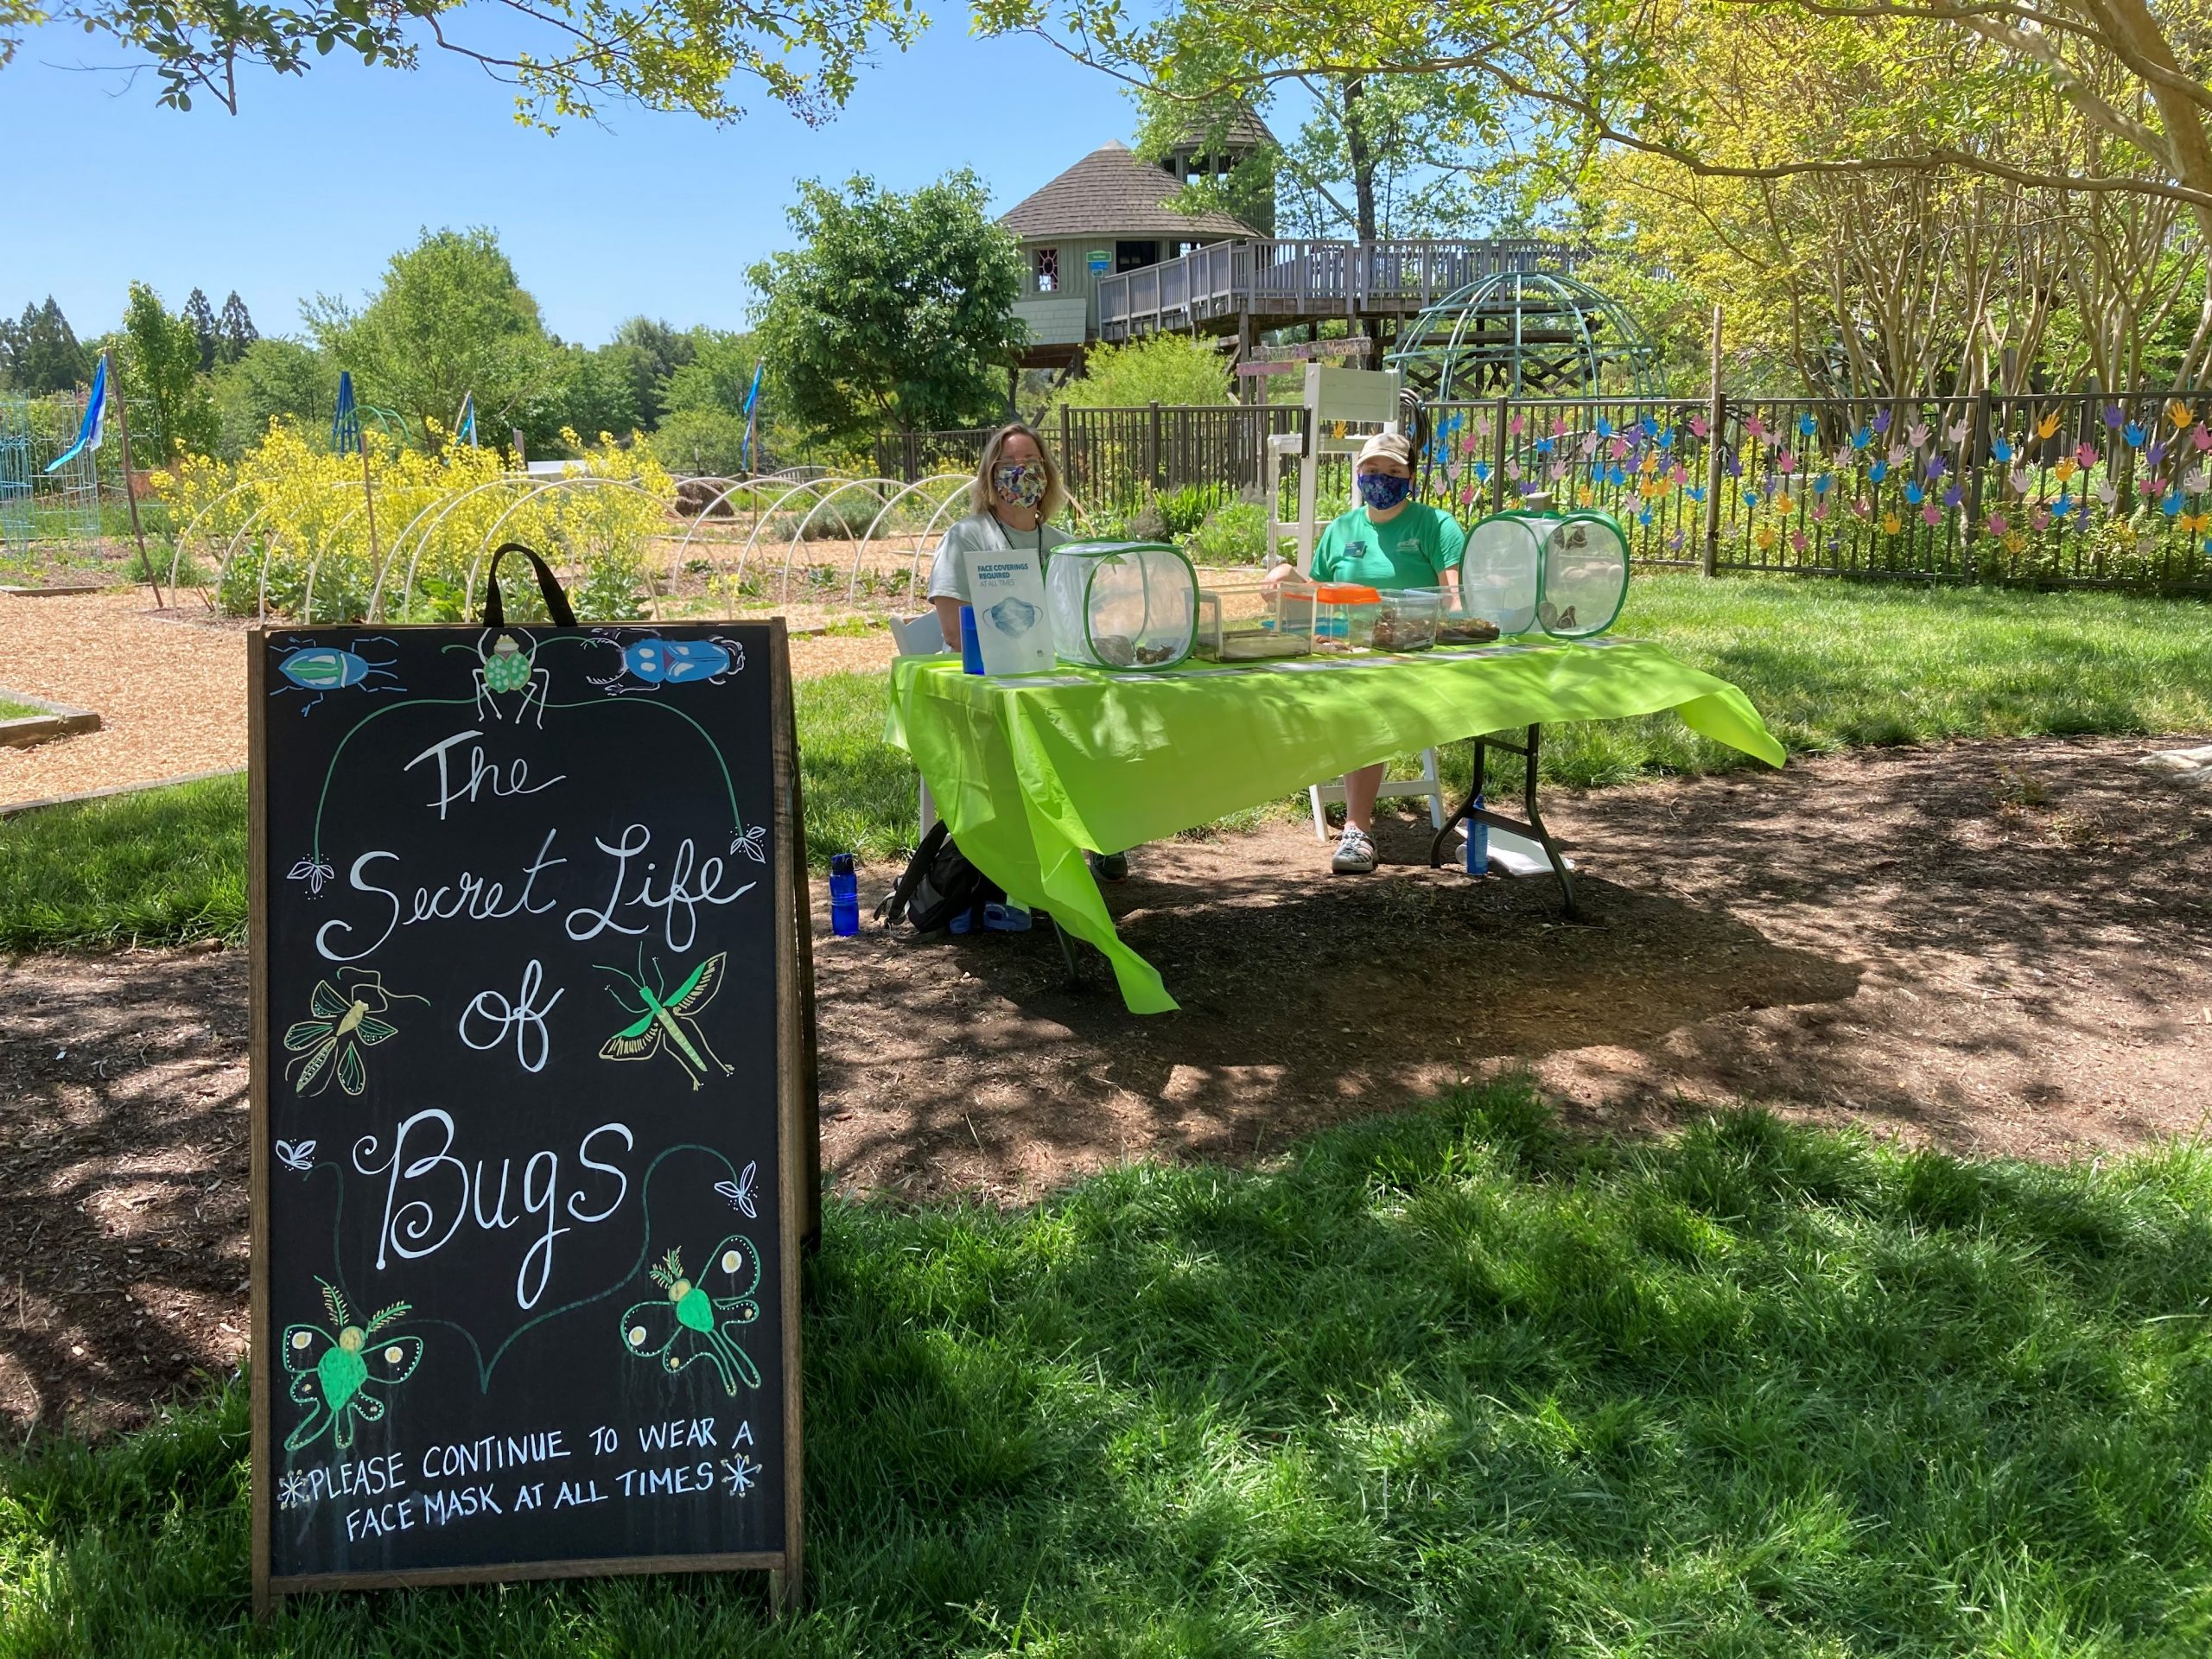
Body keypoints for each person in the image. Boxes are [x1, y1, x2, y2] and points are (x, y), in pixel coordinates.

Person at [924, 423, 1130, 884]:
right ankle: (1035, 852)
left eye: (1031, 464)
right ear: (989, 475)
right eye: (1009, 464)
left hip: (1052, 684)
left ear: (1047, 475)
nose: (1021, 473)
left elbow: (1083, 628)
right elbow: (953, 632)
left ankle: (1101, 831)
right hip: (987, 687)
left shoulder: (1062, 546)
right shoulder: (967, 537)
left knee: (1114, 712)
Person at [1265, 430, 1466, 875]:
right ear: (1358, 474)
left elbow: (1452, 601)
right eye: (1372, 470)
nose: (1381, 479)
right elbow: (1320, 596)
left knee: (1365, 698)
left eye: (1393, 470)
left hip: (1411, 657)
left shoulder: (1435, 525)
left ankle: (1357, 829)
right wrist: (1287, 582)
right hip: (1344, 653)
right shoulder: (1342, 529)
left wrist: (1417, 634)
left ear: (1410, 477)